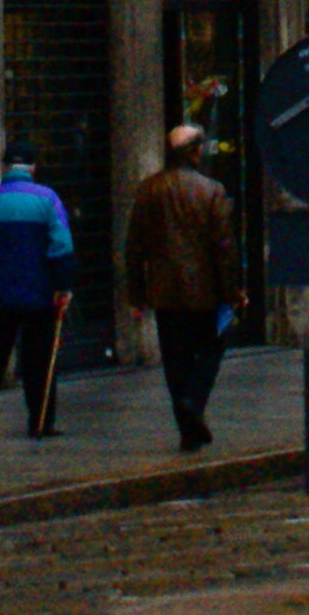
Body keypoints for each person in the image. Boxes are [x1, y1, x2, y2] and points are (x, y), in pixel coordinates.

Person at [120, 127, 242, 451]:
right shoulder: (211, 190)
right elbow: (224, 248)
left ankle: (187, 427)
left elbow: (134, 247)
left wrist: (137, 295)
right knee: (211, 348)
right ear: (195, 152)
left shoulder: (149, 189)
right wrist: (232, 291)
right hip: (204, 291)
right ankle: (193, 402)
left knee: (175, 359)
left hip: (164, 292)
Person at [0, 152, 73, 443]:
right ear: (33, 167)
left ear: (5, 168)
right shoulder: (49, 200)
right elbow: (61, 247)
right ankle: (40, 421)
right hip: (39, 295)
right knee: (40, 360)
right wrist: (62, 286)